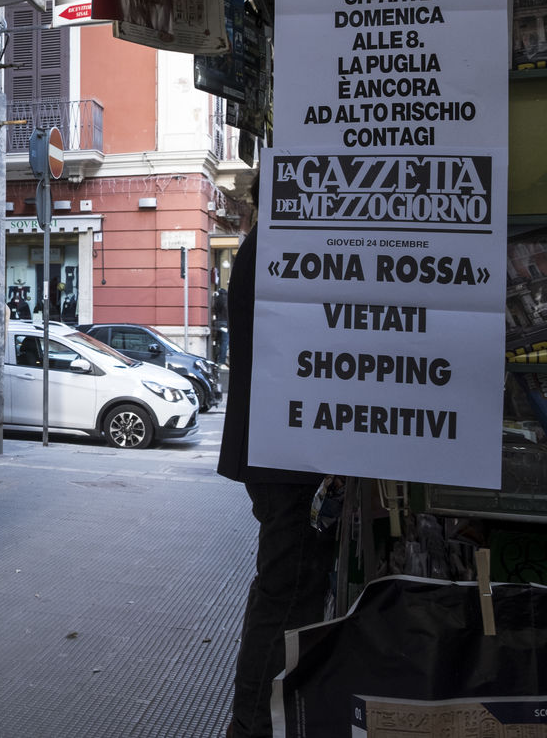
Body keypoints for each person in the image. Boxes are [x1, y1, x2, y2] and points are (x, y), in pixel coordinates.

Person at [217, 177, 338, 738]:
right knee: (287, 595)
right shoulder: (275, 248)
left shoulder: (264, 244)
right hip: (284, 458)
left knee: (284, 590)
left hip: (280, 453)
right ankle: (252, 726)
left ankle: (257, 721)